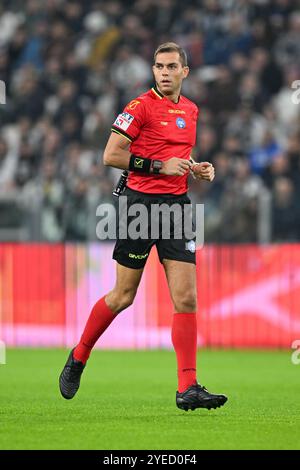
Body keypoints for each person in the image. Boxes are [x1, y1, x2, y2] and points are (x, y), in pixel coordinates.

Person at [59, 42, 228, 411]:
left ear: (185, 71)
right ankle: (79, 355)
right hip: (141, 207)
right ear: (153, 71)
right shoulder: (139, 107)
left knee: (186, 298)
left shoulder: (191, 110)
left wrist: (196, 168)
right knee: (123, 296)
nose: (164, 73)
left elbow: (175, 155)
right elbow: (111, 155)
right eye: (158, 66)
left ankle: (188, 388)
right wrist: (158, 167)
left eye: (171, 67)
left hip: (177, 208)